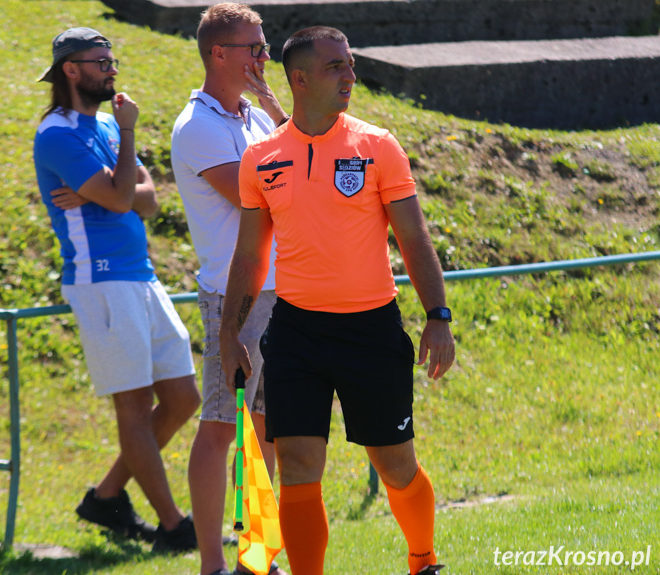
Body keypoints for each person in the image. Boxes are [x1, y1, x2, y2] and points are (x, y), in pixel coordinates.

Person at [218, 26, 455, 575]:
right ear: (298, 79)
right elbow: (251, 257)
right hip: (296, 333)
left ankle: (423, 560)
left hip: (371, 329)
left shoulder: (377, 145)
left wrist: (438, 316)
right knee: (299, 464)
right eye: (336, 67)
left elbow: (414, 238)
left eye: (349, 65)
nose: (350, 75)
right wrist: (230, 334)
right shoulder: (261, 158)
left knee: (396, 466)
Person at [32, 27, 202, 552]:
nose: (111, 69)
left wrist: (116, 189)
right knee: (132, 408)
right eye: (100, 61)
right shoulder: (58, 134)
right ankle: (173, 526)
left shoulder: (105, 123)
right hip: (100, 279)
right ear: (71, 70)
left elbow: (145, 200)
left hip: (141, 275)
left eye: (113, 60)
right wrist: (126, 153)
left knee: (181, 397)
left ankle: (107, 496)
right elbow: (128, 194)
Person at [170, 4, 289, 575]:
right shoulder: (198, 127)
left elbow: (301, 161)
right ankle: (212, 565)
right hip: (234, 299)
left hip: (278, 294)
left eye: (264, 46)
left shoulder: (254, 117)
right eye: (255, 48)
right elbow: (263, 196)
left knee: (266, 433)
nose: (265, 57)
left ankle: (256, 560)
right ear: (220, 54)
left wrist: (270, 104)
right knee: (222, 428)